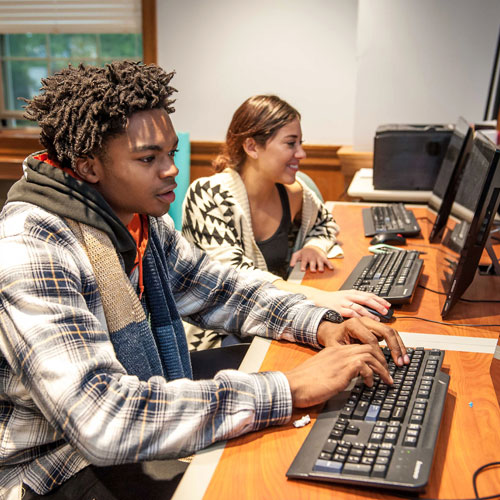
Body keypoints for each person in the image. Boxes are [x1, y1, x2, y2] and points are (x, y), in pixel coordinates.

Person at [0, 61, 409, 500]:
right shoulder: (34, 244)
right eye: (147, 158)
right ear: (89, 165)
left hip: (113, 432)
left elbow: (223, 289)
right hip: (51, 467)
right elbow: (103, 420)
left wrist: (322, 322)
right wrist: (290, 388)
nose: (171, 170)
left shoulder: (140, 223)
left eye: (170, 154)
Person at [182, 95, 391, 349]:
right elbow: (233, 279)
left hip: (279, 321)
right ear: (252, 147)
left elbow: (325, 223)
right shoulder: (207, 195)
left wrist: (314, 245)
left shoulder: (293, 193)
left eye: (300, 143)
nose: (301, 153)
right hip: (219, 336)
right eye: (290, 143)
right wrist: (318, 298)